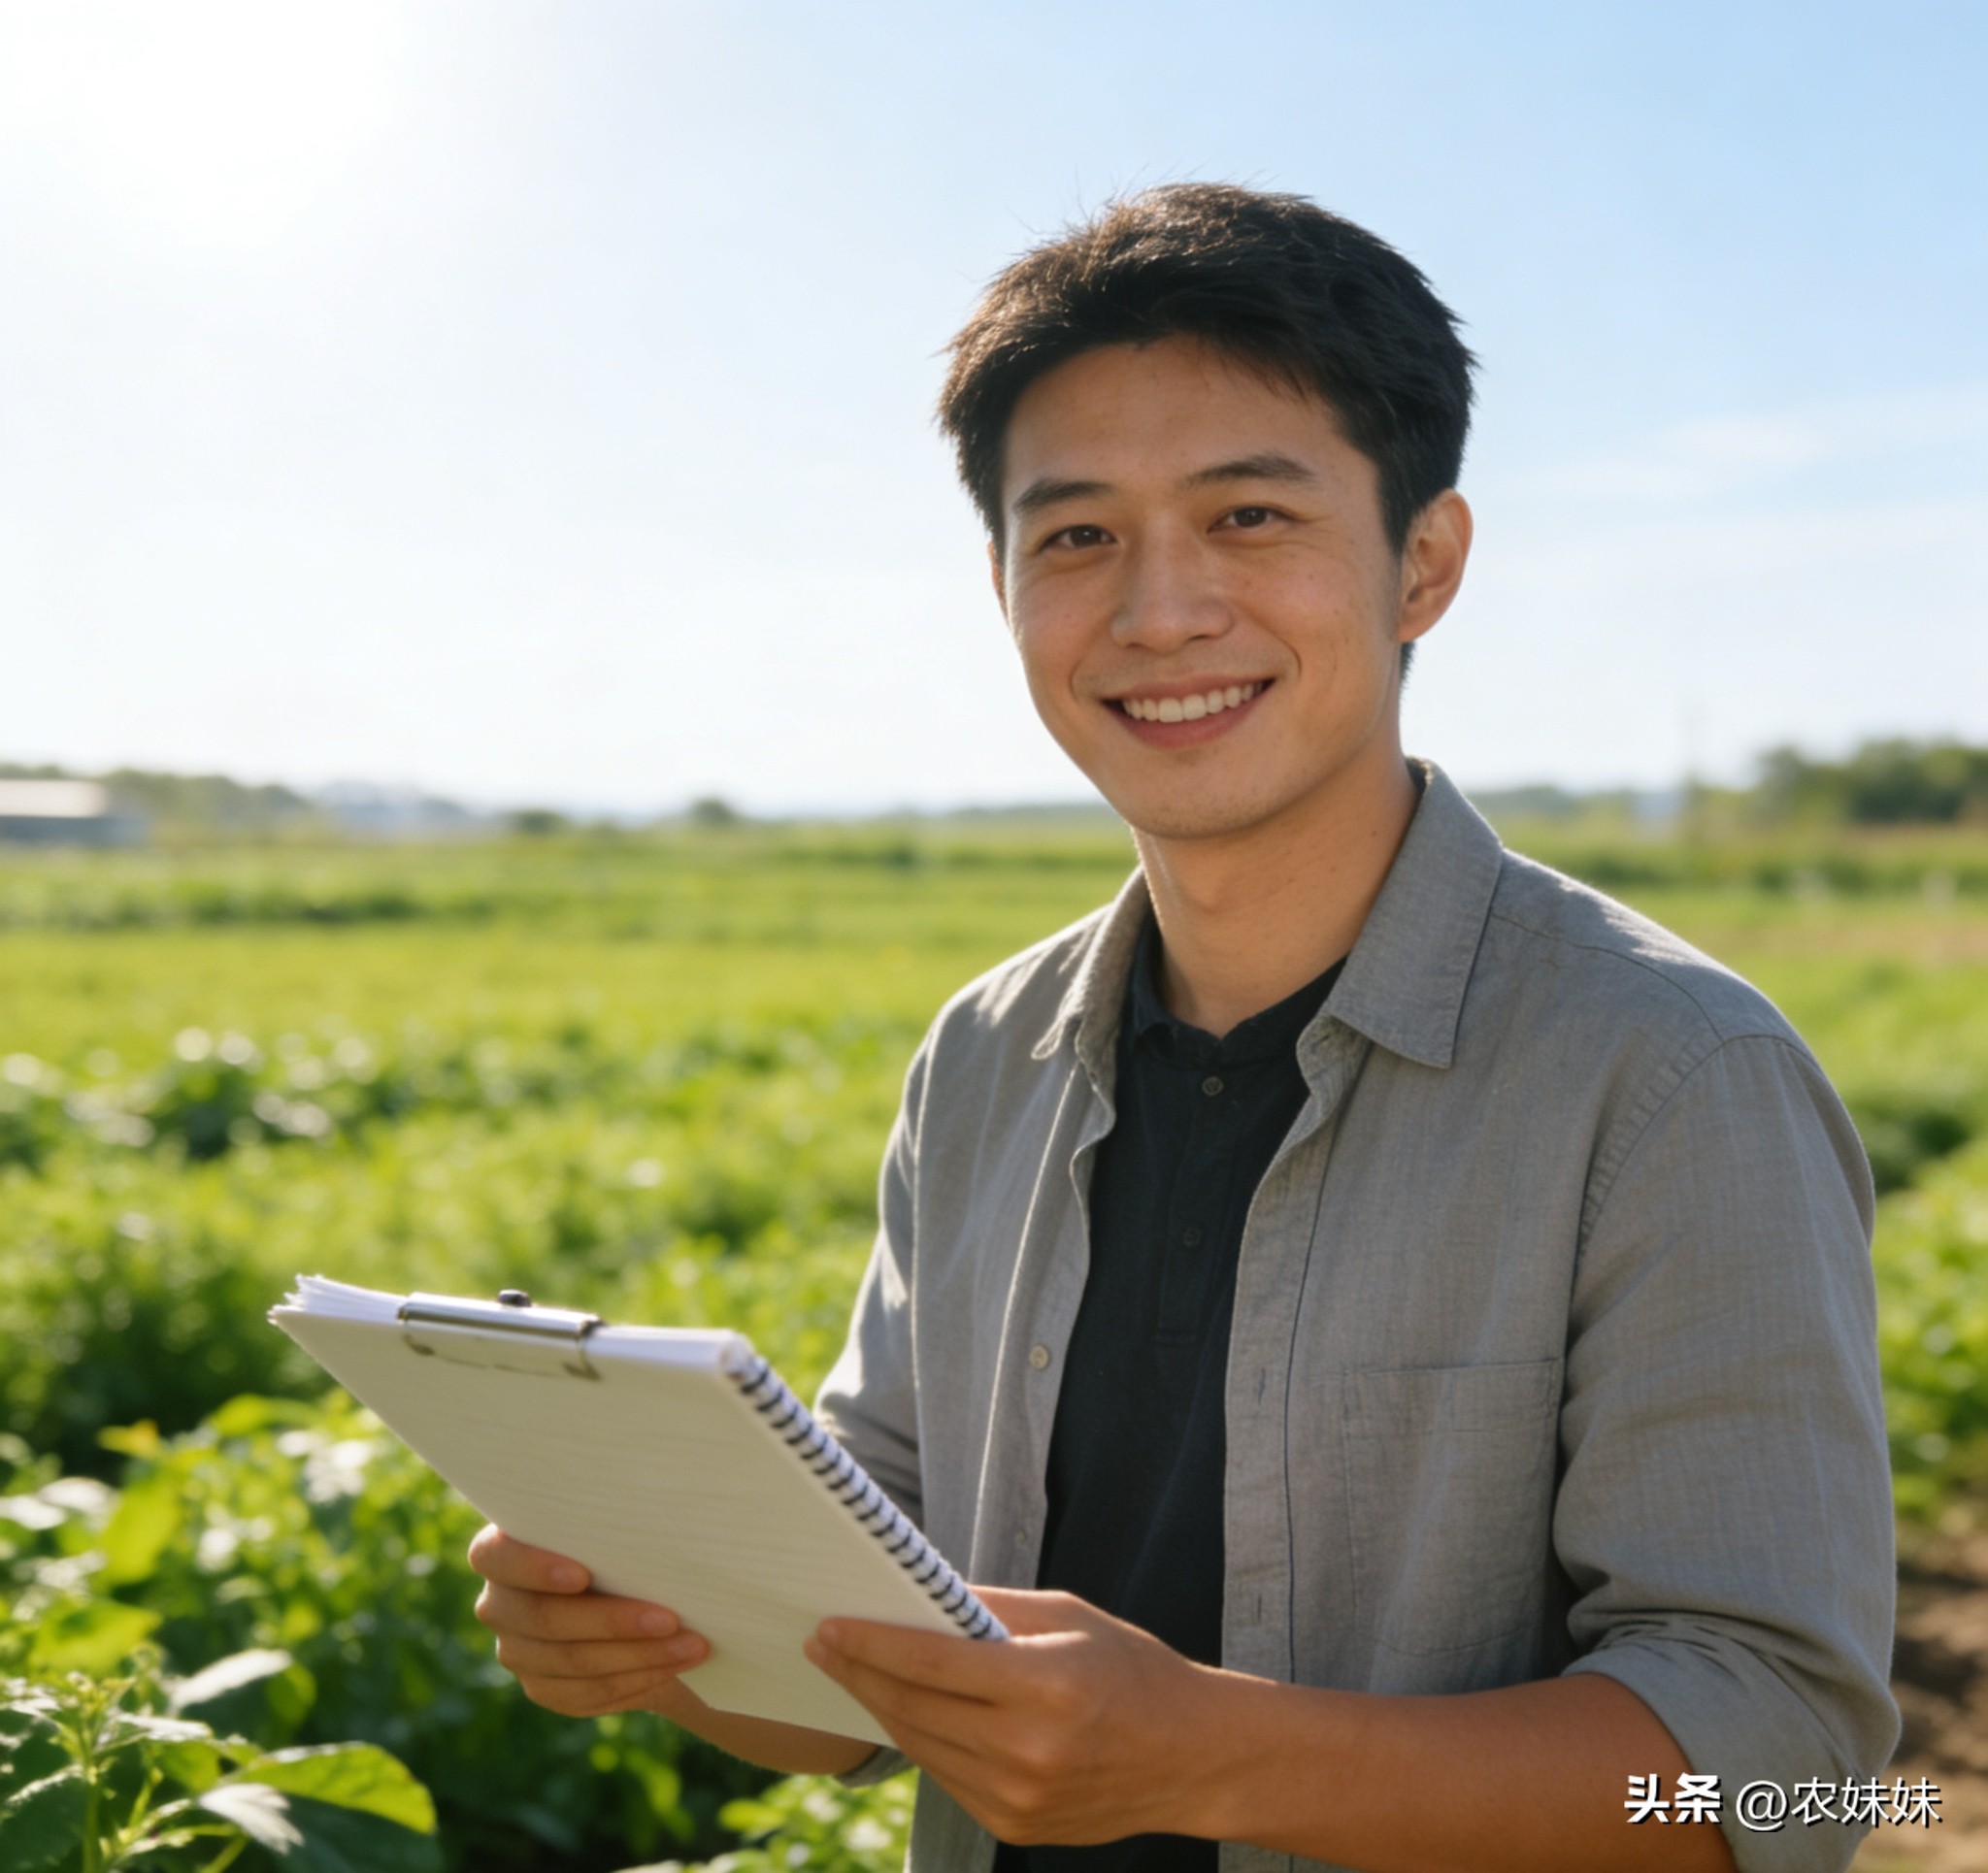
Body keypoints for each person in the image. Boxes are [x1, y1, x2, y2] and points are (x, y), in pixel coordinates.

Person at [468, 184, 1899, 1873]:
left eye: (1247, 517)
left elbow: (1799, 1772)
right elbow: (863, 1676)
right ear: (1001, 581)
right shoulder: (986, 1054)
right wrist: (664, 1641)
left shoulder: (1670, 1078)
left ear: (1422, 562)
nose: (1159, 612)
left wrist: (1219, 1762)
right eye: (1075, 535)